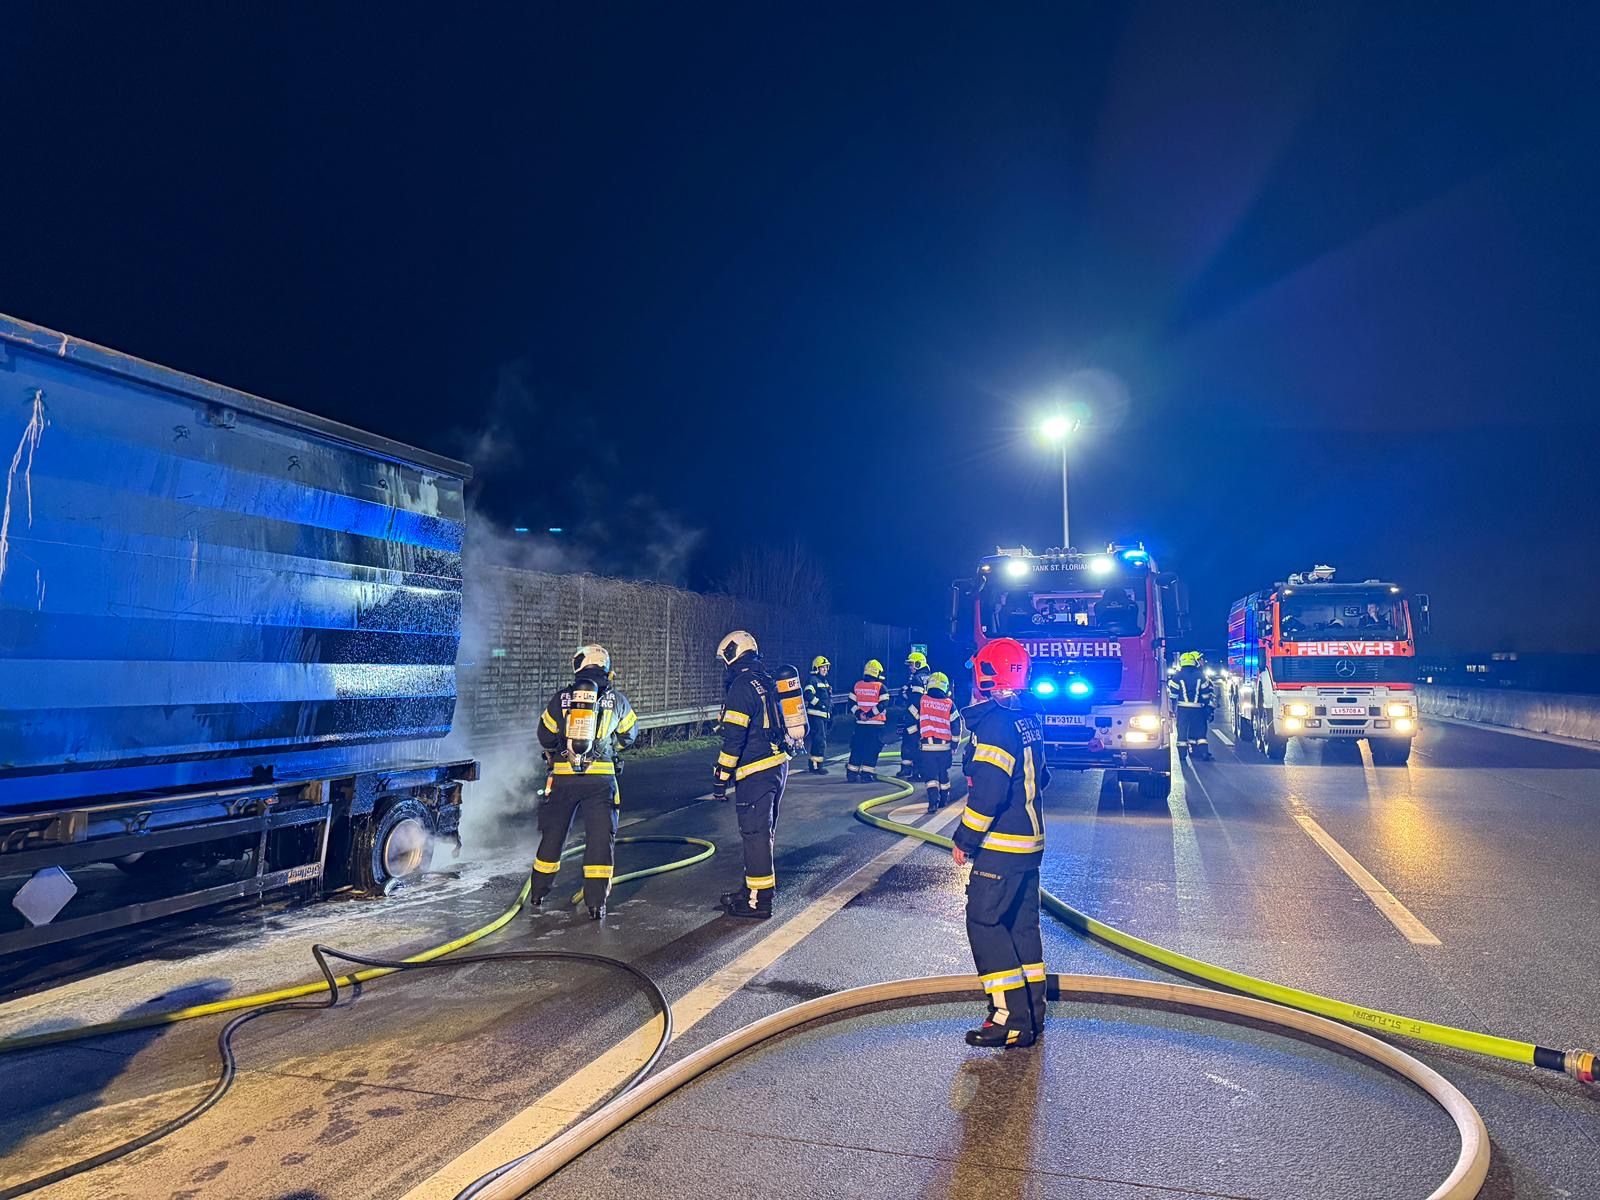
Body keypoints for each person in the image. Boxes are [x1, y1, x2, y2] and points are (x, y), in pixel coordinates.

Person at [953, 637, 1050, 1048]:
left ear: (987, 674)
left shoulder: (993, 724)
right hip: (1029, 842)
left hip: (1002, 845)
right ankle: (1031, 1011)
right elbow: (1041, 777)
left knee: (984, 921)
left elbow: (988, 794)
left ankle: (1009, 1018)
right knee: (1021, 926)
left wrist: (965, 839)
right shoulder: (1027, 716)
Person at [532, 644, 638, 920]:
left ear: (580, 665)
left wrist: (560, 750)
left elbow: (544, 735)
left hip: (564, 780)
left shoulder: (563, 698)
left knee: (553, 837)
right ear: (605, 666)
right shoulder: (617, 700)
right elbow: (630, 735)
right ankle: (595, 904)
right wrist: (610, 746)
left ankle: (538, 893)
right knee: (600, 841)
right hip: (601, 781)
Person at [712, 630, 790, 920]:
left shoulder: (742, 686)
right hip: (777, 765)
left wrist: (721, 777)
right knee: (763, 833)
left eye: (725, 660)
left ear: (733, 655)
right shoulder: (766, 680)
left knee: (755, 834)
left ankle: (758, 902)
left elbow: (734, 740)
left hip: (756, 771)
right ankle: (752, 891)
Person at [914, 671, 964, 814]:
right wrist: (954, 745)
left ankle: (932, 803)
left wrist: (914, 734)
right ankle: (943, 799)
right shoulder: (949, 704)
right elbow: (956, 725)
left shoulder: (922, 700)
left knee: (930, 776)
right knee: (943, 773)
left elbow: (914, 716)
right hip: (944, 747)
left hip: (927, 747)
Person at [1168, 650, 1215, 760]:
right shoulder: (1201, 676)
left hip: (1182, 708)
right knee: (1199, 731)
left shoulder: (1177, 677)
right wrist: (1207, 706)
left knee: (1182, 731)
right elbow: (1206, 695)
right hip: (1198, 708)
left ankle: (1182, 754)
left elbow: (1173, 696)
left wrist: (1172, 709)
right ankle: (1203, 752)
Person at [848, 659, 889, 784]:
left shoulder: (857, 685)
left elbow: (851, 703)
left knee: (857, 748)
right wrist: (870, 715)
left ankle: (852, 773)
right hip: (876, 725)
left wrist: (860, 714)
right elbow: (883, 705)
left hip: (860, 725)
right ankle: (867, 775)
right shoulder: (881, 687)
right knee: (872, 750)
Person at [897, 651, 932, 779]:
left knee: (911, 742)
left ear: (918, 664)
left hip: (914, 718)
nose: (910, 667)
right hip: (926, 718)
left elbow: (915, 700)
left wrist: (913, 717)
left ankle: (914, 771)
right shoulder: (930, 678)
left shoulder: (916, 679)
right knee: (918, 743)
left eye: (912, 665)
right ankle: (911, 769)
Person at [803, 655, 834, 774]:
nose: (825, 669)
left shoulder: (824, 681)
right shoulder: (813, 680)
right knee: (819, 740)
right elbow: (808, 694)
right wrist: (820, 704)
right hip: (815, 715)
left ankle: (817, 764)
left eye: (826, 667)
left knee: (821, 740)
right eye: (823, 667)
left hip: (823, 716)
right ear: (816, 668)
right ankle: (816, 766)